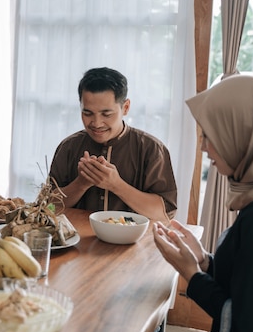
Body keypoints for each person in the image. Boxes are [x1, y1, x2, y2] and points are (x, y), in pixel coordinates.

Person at [147, 75, 253, 332]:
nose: (204, 147)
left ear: (245, 133)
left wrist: (192, 274)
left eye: (211, 135)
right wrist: (205, 261)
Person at [49, 67, 177, 222]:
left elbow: (164, 214)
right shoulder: (68, 147)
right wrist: (81, 183)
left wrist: (116, 185)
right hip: (77, 242)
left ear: (126, 108)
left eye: (106, 114)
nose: (96, 123)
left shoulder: (151, 149)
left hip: (134, 244)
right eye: (87, 113)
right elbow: (48, 208)